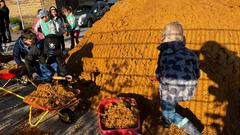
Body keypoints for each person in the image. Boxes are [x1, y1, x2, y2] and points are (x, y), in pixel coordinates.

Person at [152, 22, 201, 135]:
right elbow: (197, 73)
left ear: (164, 37)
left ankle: (194, 132)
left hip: (169, 91)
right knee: (171, 99)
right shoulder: (191, 54)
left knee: (169, 111)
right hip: (188, 91)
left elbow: (160, 71)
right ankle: (167, 119)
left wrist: (158, 77)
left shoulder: (164, 54)